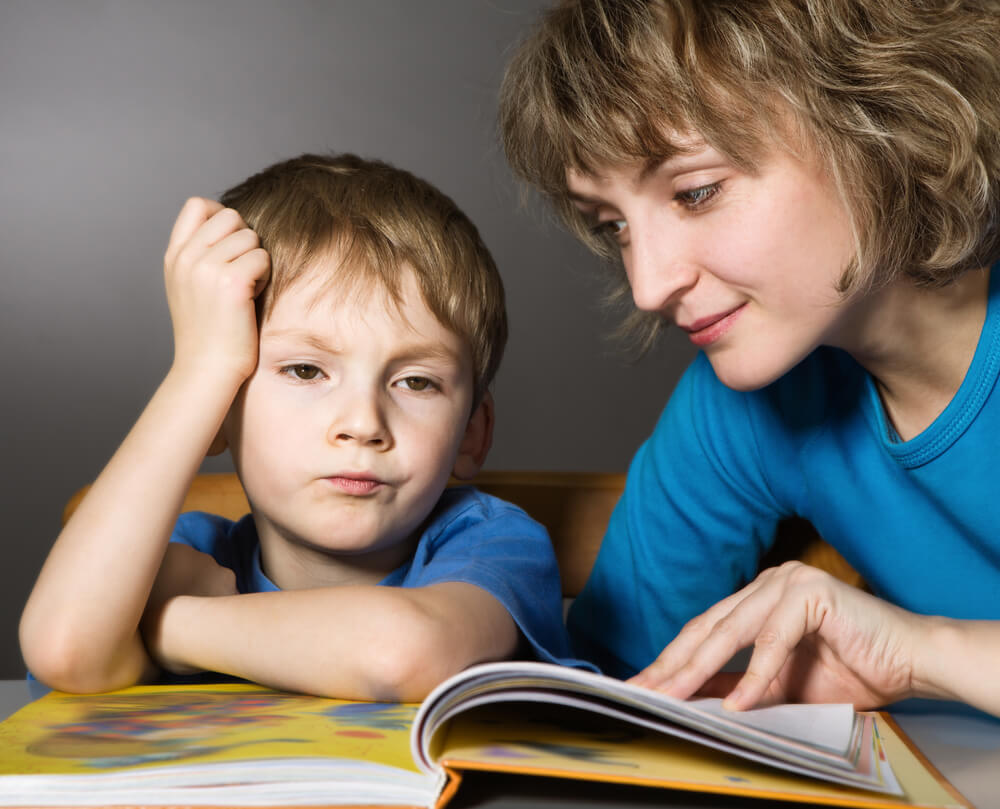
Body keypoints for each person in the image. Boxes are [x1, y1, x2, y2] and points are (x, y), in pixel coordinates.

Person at [498, 0, 1000, 718]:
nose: (647, 285)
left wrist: (920, 652)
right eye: (614, 227)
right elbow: (611, 682)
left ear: (876, 117)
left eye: (697, 192)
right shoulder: (741, 408)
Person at [20, 153, 582, 700]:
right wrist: (202, 369)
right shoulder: (193, 552)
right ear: (216, 409)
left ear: (472, 434)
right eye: (307, 370)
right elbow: (65, 648)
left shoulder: (494, 544)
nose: (362, 425)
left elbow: (402, 653)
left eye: (415, 382)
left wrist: (174, 625)